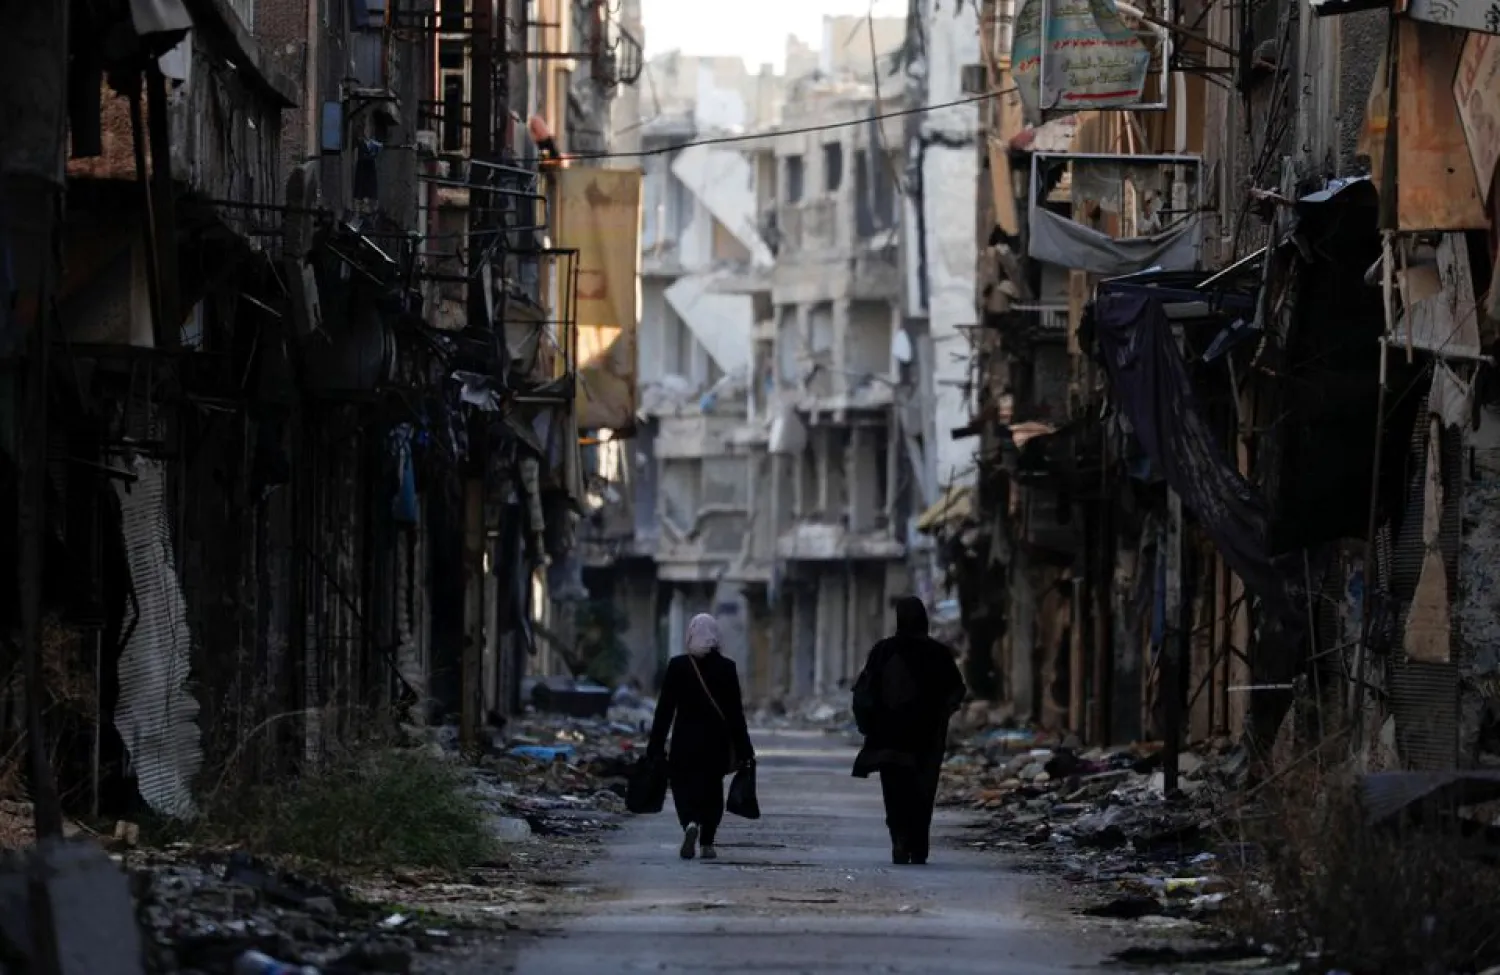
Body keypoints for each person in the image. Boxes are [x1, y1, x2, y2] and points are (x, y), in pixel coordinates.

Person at [851, 596, 966, 866]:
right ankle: (918, 847)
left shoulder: (883, 651)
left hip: (889, 736)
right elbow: (956, 690)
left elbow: (863, 692)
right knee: (923, 792)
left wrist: (868, 723)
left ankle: (899, 841)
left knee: (894, 792)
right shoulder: (938, 653)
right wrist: (940, 713)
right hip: (927, 737)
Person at [647, 613, 756, 861]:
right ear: (716, 637)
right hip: (716, 743)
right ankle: (707, 842)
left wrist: (655, 746)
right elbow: (735, 714)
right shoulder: (727, 668)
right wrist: (745, 749)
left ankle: (690, 823)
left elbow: (664, 710)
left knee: (683, 787)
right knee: (712, 791)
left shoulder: (678, 666)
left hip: (684, 741)